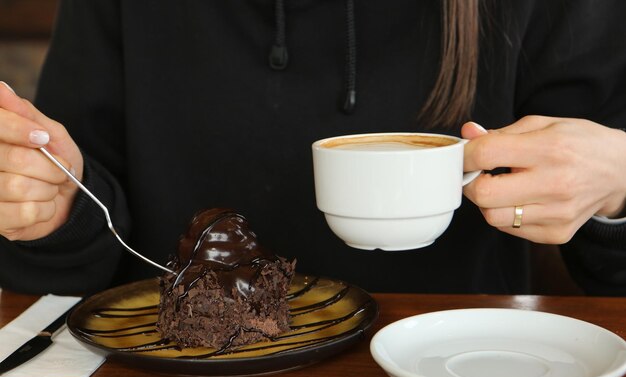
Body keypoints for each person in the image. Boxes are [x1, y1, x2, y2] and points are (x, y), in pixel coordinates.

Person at [0, 0, 624, 296]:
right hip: (174, 375)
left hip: (457, 366)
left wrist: (617, 187)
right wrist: (51, 211)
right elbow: (84, 228)